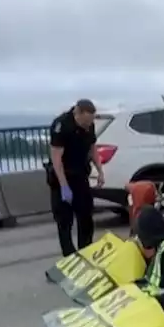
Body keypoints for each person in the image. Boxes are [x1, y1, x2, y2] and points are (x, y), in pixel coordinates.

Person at [47, 99, 105, 257]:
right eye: (86, 122)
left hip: (80, 176)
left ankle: (86, 252)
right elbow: (56, 159)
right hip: (61, 177)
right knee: (64, 221)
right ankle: (69, 257)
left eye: (90, 122)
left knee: (86, 216)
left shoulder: (89, 124)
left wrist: (100, 171)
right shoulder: (61, 126)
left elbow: (93, 148)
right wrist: (64, 186)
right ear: (77, 113)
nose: (88, 126)